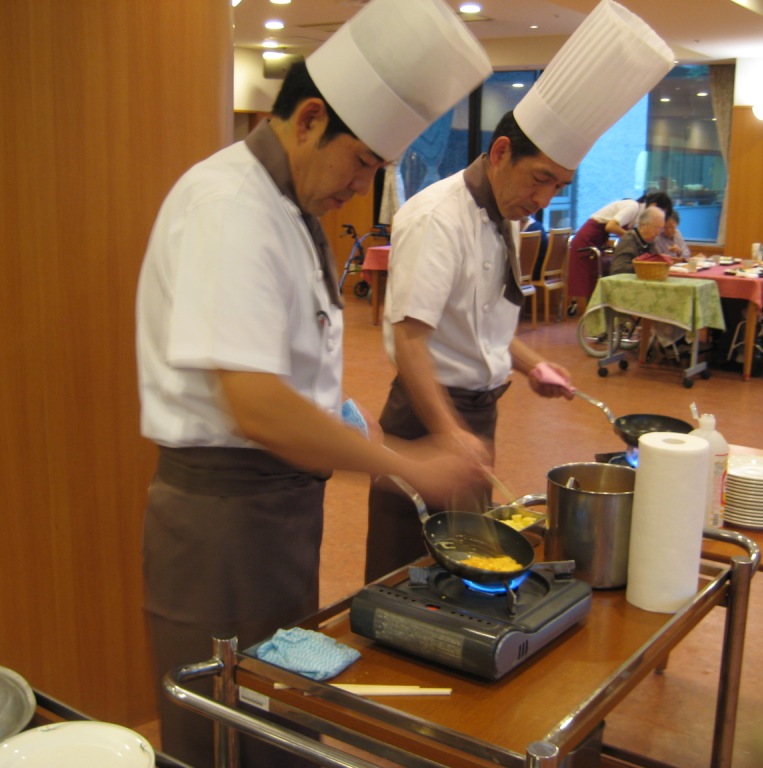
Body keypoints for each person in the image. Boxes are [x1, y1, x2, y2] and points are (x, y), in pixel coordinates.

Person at [134, 1, 492, 765]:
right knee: (225, 731)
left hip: (279, 513)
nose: (359, 187)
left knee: (277, 715)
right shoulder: (230, 206)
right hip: (225, 523)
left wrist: (344, 420)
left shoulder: (289, 205)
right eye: (359, 162)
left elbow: (291, 364)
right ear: (307, 120)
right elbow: (256, 405)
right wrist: (407, 461)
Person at [364, 0, 675, 582]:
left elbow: (481, 327)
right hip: (428, 415)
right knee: (404, 567)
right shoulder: (437, 217)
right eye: (540, 179)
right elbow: (409, 342)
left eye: (558, 185)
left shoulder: (505, 213)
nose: (543, 199)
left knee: (464, 567)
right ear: (502, 153)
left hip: (477, 413)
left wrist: (532, 365)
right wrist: (450, 433)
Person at [567, 190, 674, 312]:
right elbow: (611, 226)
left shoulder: (638, 215)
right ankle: (593, 318)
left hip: (598, 240)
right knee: (591, 282)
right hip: (587, 239)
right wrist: (632, 238)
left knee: (594, 281)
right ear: (654, 206)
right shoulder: (632, 207)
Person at [609, 205, 667, 274]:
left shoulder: (650, 242)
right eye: (656, 228)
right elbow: (618, 269)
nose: (658, 233)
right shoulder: (629, 240)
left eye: (661, 229)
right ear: (643, 225)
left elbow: (655, 262)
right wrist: (643, 266)